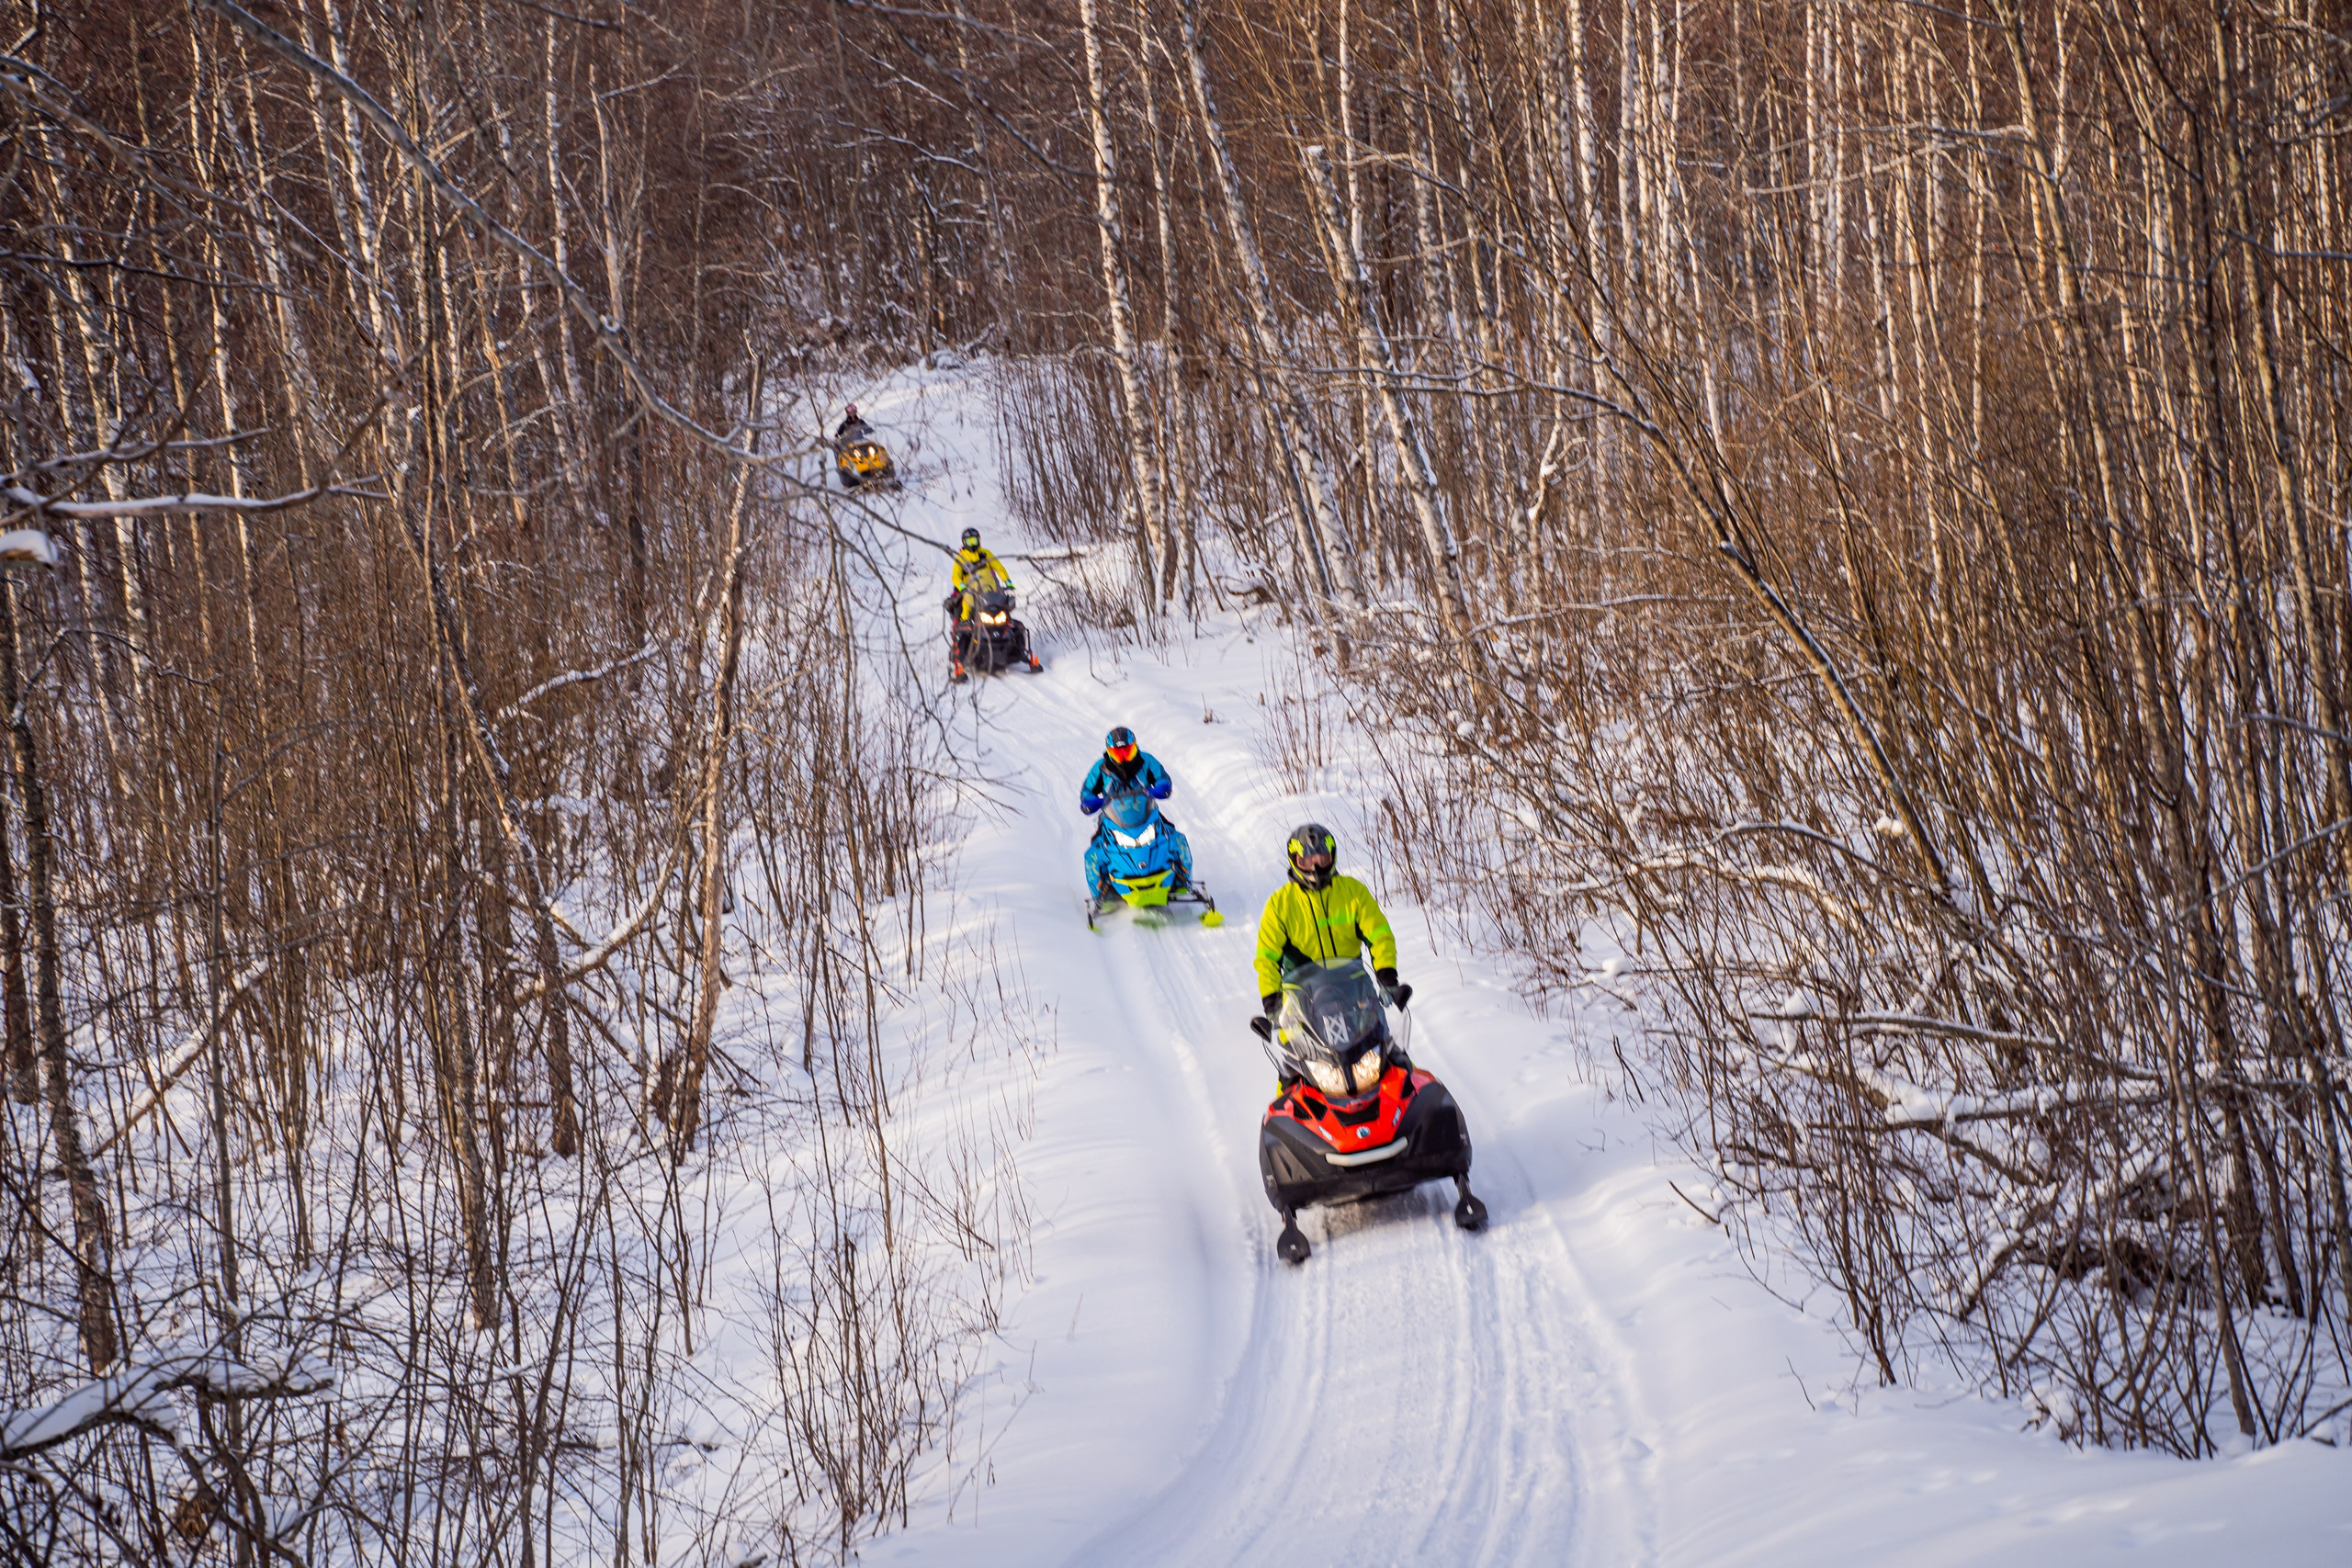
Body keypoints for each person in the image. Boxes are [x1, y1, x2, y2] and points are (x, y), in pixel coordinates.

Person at [1253, 823, 1404, 1021]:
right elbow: (1267, 958)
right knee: (1293, 1039)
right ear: (1295, 861)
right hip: (1301, 999)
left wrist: (1387, 976)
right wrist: (1272, 1001)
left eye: (1322, 859)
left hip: (1353, 989)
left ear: (1332, 857)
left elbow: (1380, 935)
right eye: (1307, 860)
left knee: (1381, 1036)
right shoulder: (1279, 904)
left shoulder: (1354, 892)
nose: (1315, 867)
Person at [1080, 726, 1187, 897]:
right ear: (1109, 752)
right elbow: (1087, 791)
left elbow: (1162, 778)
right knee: (1094, 852)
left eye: (1127, 751)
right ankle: (1102, 894)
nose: (1123, 757)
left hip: (1146, 812)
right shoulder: (1101, 768)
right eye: (1118, 753)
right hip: (1113, 818)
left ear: (1135, 747)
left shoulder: (1147, 761)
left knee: (1175, 838)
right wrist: (1090, 801)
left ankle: (1183, 880)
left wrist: (1161, 787)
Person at [944, 527, 1018, 682]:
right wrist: (962, 587)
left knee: (1006, 616)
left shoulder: (986, 554)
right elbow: (955, 576)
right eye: (969, 541)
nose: (972, 544)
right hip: (971, 594)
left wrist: (1008, 582)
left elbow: (999, 567)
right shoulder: (961, 559)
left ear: (979, 540)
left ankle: (1016, 645)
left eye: (974, 540)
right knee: (965, 616)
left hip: (991, 593)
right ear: (964, 542)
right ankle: (961, 640)